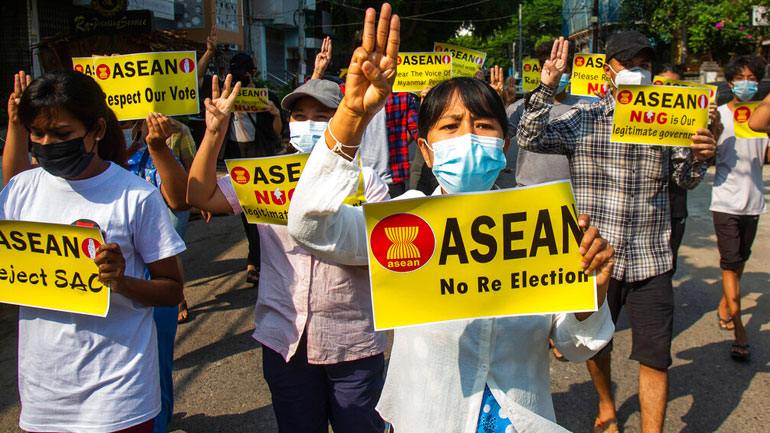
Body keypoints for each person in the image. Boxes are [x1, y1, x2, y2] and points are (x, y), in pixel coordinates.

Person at [287, 5, 616, 431]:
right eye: (450, 126)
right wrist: (351, 115)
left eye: (483, 125)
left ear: (504, 145)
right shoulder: (401, 221)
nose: (468, 137)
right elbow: (312, 228)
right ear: (426, 150)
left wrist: (595, 293)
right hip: (427, 416)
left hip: (521, 416)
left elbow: (573, 346)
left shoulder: (545, 222)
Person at [517, 34, 717, 433]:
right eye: (628, 62)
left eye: (644, 62)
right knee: (595, 342)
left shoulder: (669, 119)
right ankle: (607, 405)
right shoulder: (583, 119)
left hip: (652, 258)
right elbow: (528, 136)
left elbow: (685, 178)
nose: (636, 70)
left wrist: (699, 156)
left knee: (656, 356)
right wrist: (548, 86)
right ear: (608, 70)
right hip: (596, 259)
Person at [187, 76, 390, 432]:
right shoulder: (265, 176)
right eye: (299, 115)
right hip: (284, 339)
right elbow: (200, 197)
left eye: (322, 114)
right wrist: (214, 132)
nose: (308, 123)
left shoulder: (366, 180)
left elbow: (383, 253)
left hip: (353, 341)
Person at [2, 69, 185, 433]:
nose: (47, 143)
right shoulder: (19, 191)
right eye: (37, 134)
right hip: (43, 396)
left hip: (119, 395)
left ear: (96, 130)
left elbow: (172, 289)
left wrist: (122, 282)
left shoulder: (136, 196)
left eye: (62, 134)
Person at [710, 55, 768, 361]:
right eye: (741, 77)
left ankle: (725, 304)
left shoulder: (763, 116)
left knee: (739, 261)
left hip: (755, 202)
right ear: (731, 82)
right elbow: (707, 158)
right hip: (725, 202)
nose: (747, 83)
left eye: (753, 77)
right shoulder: (718, 115)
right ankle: (740, 330)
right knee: (730, 263)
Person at [311, 34, 419, 196]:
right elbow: (311, 109)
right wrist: (317, 72)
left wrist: (427, 102)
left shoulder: (401, 96)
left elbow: (419, 134)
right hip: (348, 181)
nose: (374, 61)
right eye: (368, 54)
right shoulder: (341, 92)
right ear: (356, 57)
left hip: (390, 183)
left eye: (380, 54)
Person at [654, 64, 723, 273]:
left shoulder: (691, 120)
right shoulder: (638, 121)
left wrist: (711, 121)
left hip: (674, 204)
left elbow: (706, 153)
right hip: (644, 206)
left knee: (667, 266)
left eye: (676, 87)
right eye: (664, 86)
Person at [226, 53, 285, 285]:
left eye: (244, 74)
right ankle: (256, 258)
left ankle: (256, 260)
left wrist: (275, 113)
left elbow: (278, 133)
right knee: (245, 212)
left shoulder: (267, 97)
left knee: (261, 212)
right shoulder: (225, 96)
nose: (241, 79)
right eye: (236, 75)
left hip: (260, 157)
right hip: (236, 159)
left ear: (252, 74)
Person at [506, 40, 584, 190]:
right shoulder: (520, 107)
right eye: (551, 69)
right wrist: (500, 102)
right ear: (541, 70)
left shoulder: (584, 107)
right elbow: (500, 140)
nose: (557, 75)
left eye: (562, 71)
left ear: (571, 73)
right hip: (528, 191)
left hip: (570, 195)